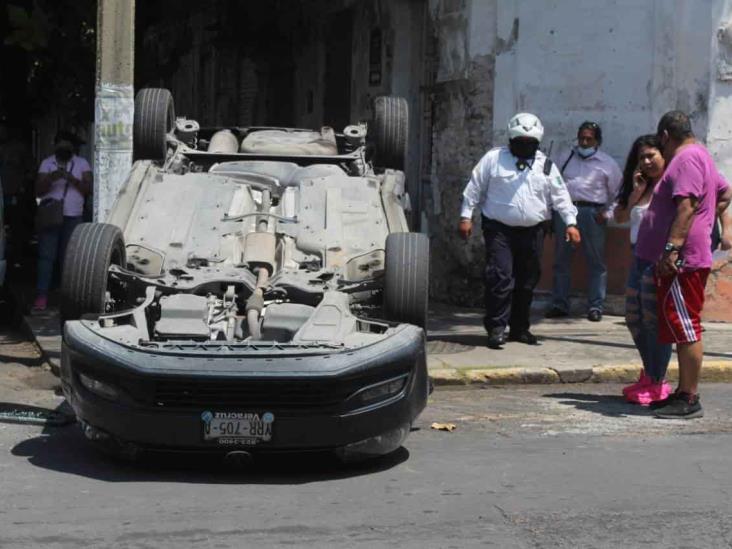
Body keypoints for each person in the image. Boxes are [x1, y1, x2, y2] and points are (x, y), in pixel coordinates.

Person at [635, 111, 732, 419]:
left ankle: (689, 397)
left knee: (686, 326)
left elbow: (686, 207)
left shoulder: (686, 158)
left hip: (683, 261)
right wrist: (708, 219)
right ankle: (681, 392)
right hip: (685, 256)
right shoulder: (700, 155)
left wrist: (672, 250)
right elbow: (725, 192)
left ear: (665, 135)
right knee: (679, 325)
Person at [458, 113, 580, 349]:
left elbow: (561, 197)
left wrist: (571, 223)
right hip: (499, 229)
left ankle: (520, 328)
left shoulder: (546, 165)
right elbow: (474, 187)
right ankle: (496, 327)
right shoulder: (493, 159)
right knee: (501, 277)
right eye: (520, 142)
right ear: (511, 140)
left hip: (533, 231)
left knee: (527, 281)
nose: (525, 147)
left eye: (530, 143)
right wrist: (466, 216)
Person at [613, 135, 673, 405]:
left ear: (663, 155)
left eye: (652, 156)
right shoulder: (640, 185)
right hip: (638, 257)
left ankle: (659, 381)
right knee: (633, 317)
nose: (647, 162)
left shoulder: (671, 184)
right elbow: (620, 217)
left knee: (654, 321)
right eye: (642, 157)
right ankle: (649, 373)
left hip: (659, 260)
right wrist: (636, 194)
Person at [546, 122, 622, 321]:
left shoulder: (608, 164)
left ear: (597, 141)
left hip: (592, 213)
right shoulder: (565, 157)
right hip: (566, 211)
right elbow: (552, 184)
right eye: (581, 138)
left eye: (589, 139)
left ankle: (595, 306)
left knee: (595, 261)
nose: (584, 142)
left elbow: (618, 194)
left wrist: (606, 214)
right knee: (562, 259)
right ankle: (559, 304)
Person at [33, 131, 92, 311]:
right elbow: (38, 191)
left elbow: (88, 189)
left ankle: (67, 298)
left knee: (69, 259)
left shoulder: (82, 164)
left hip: (73, 216)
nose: (64, 149)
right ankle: (42, 296)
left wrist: (71, 179)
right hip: (51, 215)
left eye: (68, 146)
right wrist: (52, 177)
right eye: (61, 146)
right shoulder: (47, 163)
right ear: (56, 146)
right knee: (46, 257)